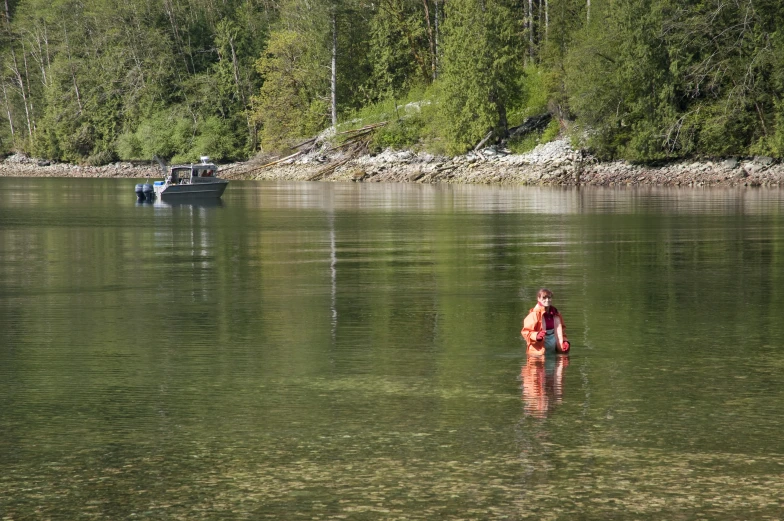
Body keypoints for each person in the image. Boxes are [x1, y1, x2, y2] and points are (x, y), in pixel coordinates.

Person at [521, 288, 570, 356]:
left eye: (549, 297)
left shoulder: (557, 314)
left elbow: (562, 332)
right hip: (537, 353)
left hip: (555, 352)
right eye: (544, 297)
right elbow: (525, 332)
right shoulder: (533, 314)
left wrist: (565, 342)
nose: (547, 300)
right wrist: (536, 336)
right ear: (538, 298)